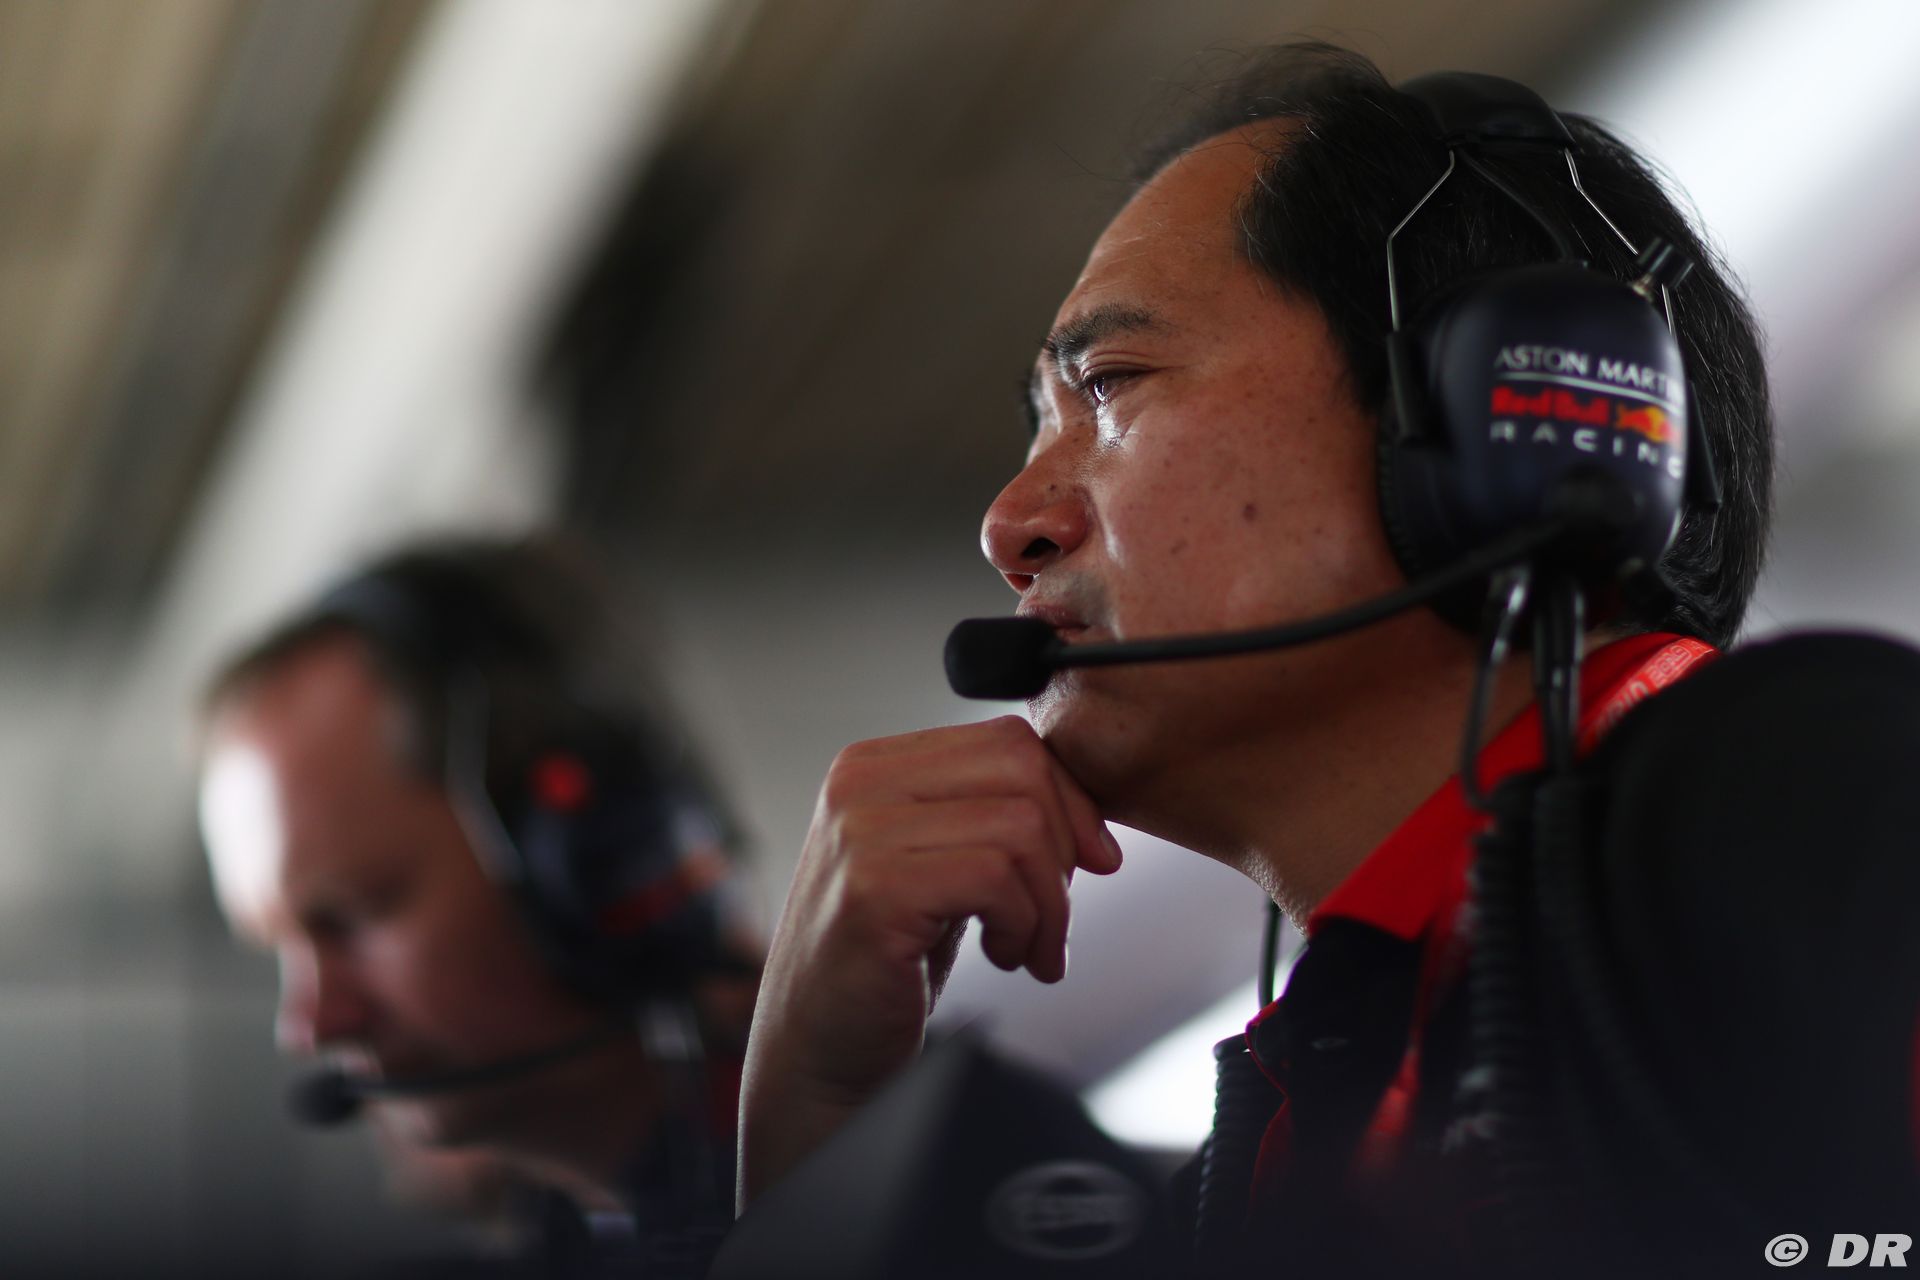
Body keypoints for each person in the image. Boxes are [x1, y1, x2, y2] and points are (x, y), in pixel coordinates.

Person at [735, 43, 1920, 1276]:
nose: (1008, 523)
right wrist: (822, 1117)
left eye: (1109, 385)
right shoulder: (1307, 1106)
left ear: (1486, 421)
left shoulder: (1816, 800)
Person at [199, 536, 760, 1278]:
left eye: (355, 916)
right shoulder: (573, 1233)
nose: (313, 1024)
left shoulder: (884, 1187)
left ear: (598, 855)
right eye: (281, 944)